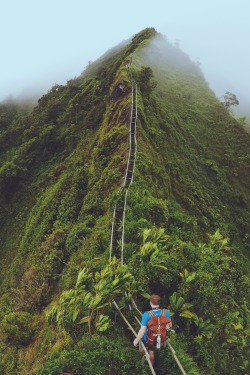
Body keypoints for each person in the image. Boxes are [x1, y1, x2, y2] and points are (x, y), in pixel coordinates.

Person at [133, 294, 172, 365]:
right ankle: (144, 356)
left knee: (151, 352)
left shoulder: (147, 314)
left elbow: (142, 331)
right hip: (162, 338)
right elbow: (170, 325)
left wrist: (136, 340)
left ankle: (149, 367)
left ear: (150, 303)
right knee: (149, 348)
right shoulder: (166, 312)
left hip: (150, 339)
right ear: (159, 303)